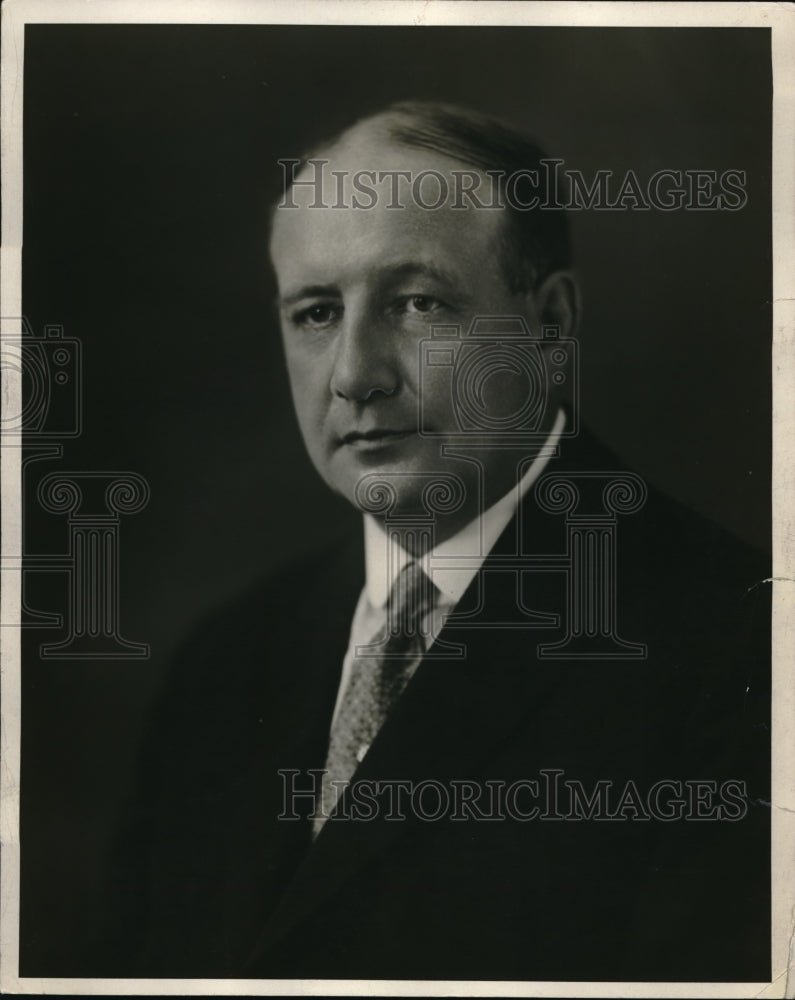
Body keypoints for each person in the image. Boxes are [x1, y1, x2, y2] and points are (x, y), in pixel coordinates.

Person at [119, 102, 770, 982]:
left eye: (418, 303)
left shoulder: (740, 649)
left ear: (548, 324)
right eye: (315, 312)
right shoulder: (224, 664)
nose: (354, 375)